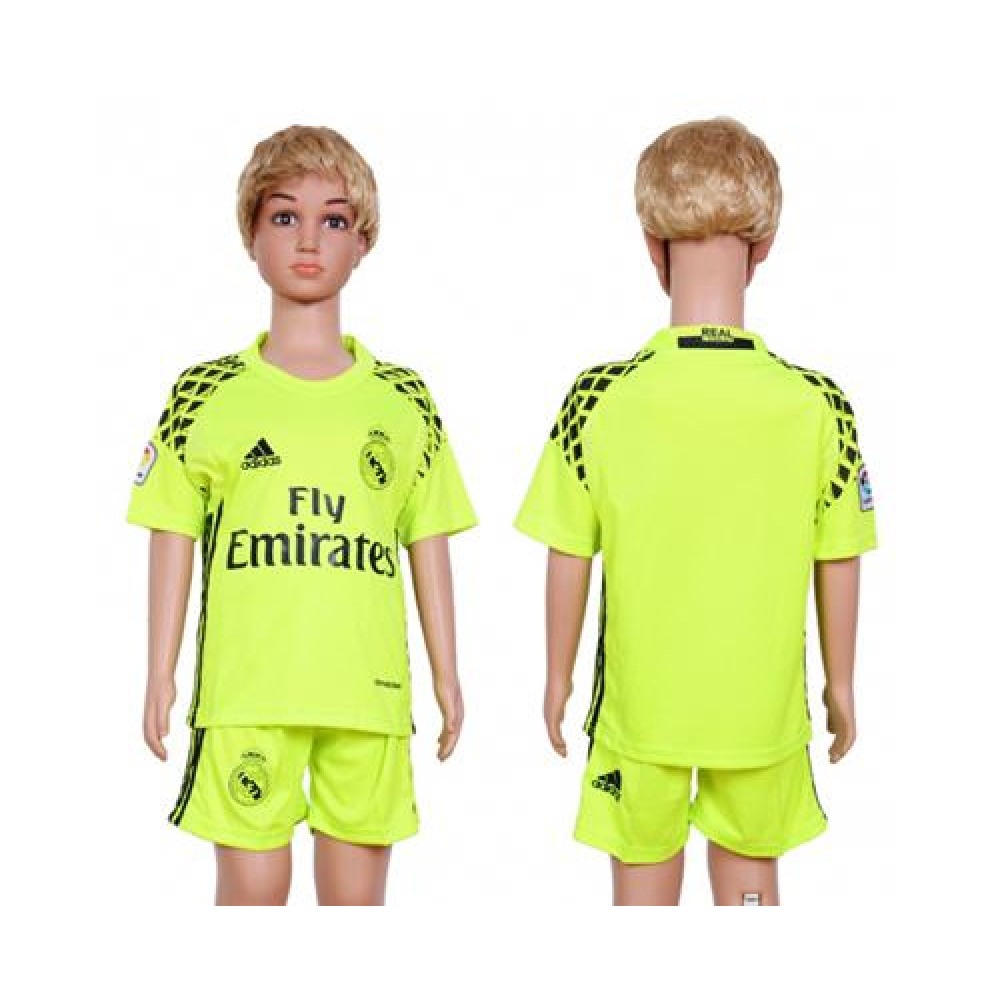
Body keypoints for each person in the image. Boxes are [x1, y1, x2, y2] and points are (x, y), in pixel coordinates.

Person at [513, 116, 877, 905]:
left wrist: (556, 677)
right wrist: (842, 684)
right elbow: (838, 556)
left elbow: (568, 551)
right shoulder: (819, 406)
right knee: (750, 896)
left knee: (642, 902)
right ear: (765, 244)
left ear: (652, 244)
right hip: (760, 715)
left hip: (640, 715)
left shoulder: (599, 400)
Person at [127, 124, 476, 905]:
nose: (309, 240)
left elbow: (426, 539)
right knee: (251, 907)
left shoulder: (404, 400)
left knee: (355, 914)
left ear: (363, 242)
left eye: (334, 219)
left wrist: (448, 676)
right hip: (248, 696)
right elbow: (172, 530)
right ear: (251, 235)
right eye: (285, 216)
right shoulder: (205, 395)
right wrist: (159, 671)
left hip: (368, 697)